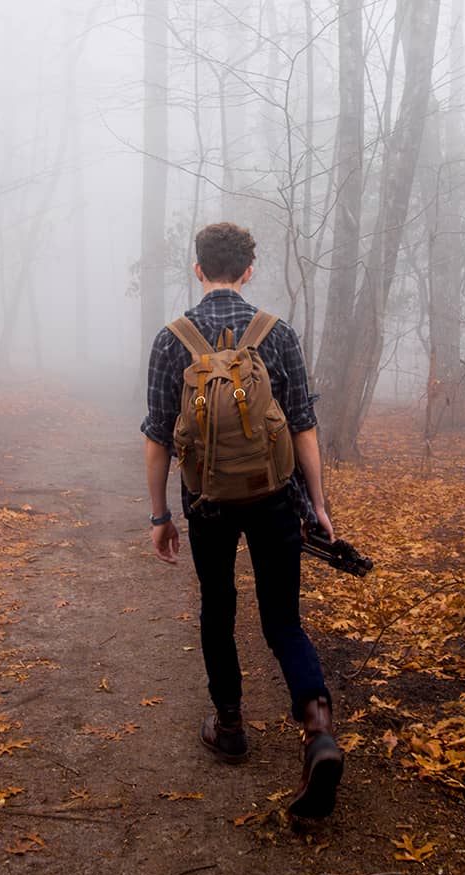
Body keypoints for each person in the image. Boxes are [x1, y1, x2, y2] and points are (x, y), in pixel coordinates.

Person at [141, 222, 343, 820]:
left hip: (207, 504)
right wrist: (318, 504)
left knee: (218, 609)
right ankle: (318, 728)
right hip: (275, 498)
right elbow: (302, 424)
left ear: (197, 269)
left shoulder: (171, 340)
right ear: (249, 271)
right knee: (283, 619)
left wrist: (160, 515)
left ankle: (229, 726)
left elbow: (157, 439)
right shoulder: (275, 334)